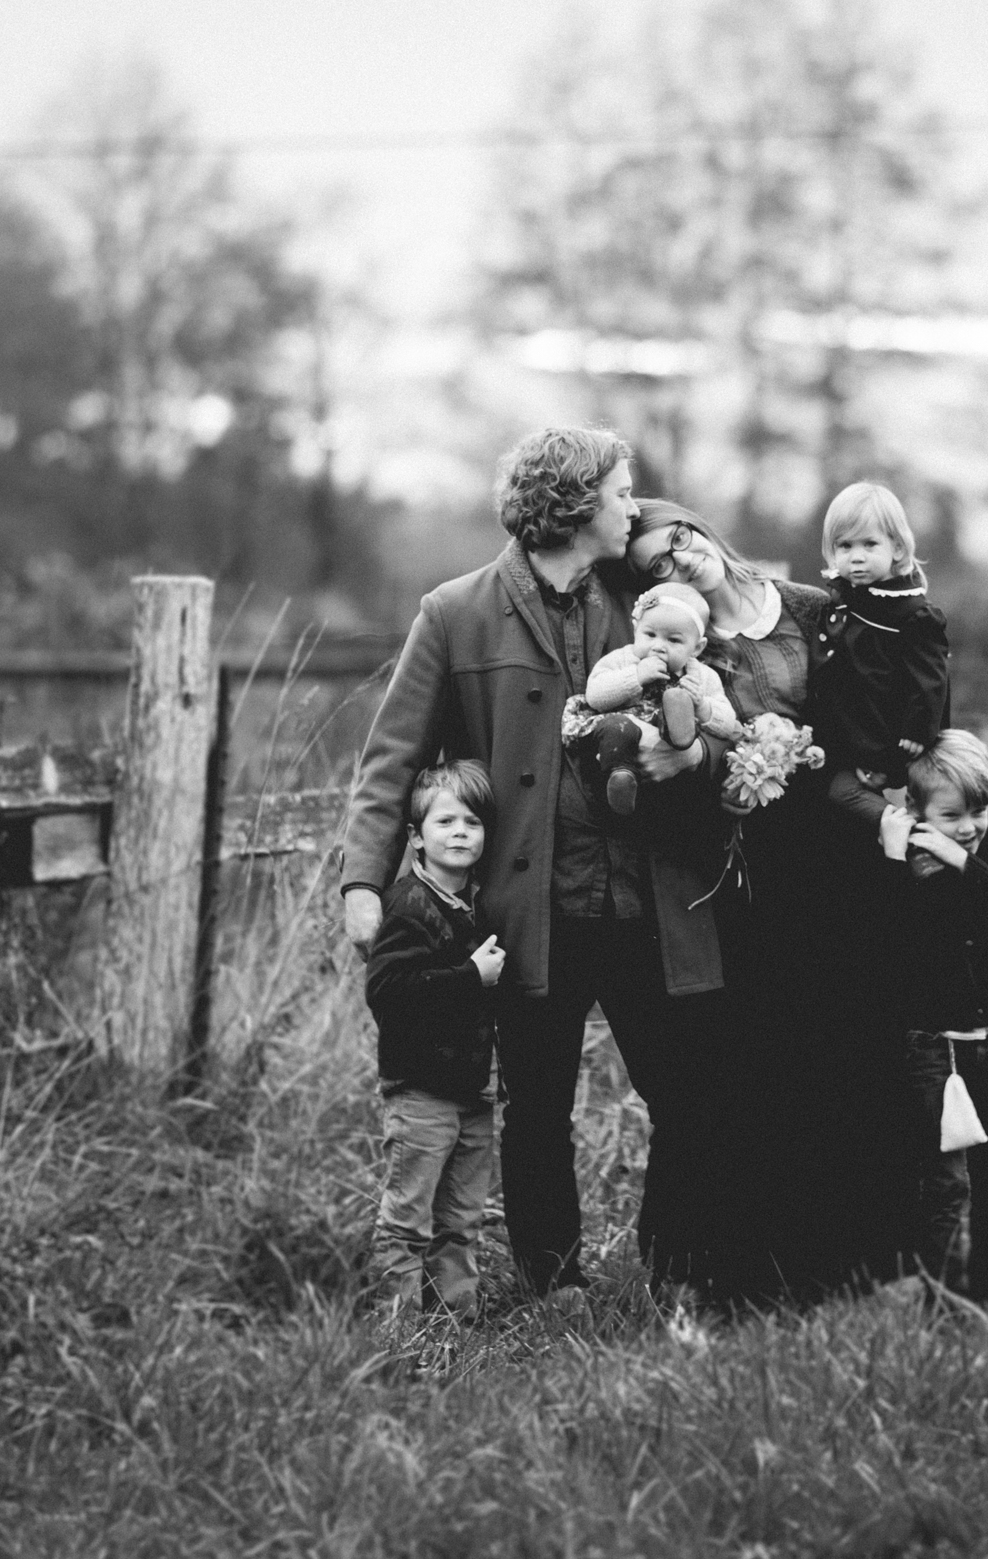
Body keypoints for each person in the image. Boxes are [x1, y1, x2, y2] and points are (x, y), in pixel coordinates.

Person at [341, 427, 728, 1304]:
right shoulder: (455, 612)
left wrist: (693, 756)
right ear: (576, 504)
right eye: (620, 492)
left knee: (688, 1094)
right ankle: (554, 1281)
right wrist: (363, 883)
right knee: (538, 1108)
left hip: (647, 900)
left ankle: (678, 1271)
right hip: (529, 910)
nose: (633, 508)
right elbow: (390, 760)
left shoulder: (644, 601)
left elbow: (713, 705)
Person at [626, 499, 907, 1302]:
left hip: (844, 852)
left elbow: (877, 693)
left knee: (852, 1047)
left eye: (681, 538)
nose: (680, 560)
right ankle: (767, 1264)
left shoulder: (811, 609)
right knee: (772, 1057)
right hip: (756, 867)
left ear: (702, 530)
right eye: (657, 566)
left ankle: (862, 1257)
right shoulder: (689, 649)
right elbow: (690, 748)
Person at [878, 730, 988, 1316]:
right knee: (945, 1183)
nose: (970, 825)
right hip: (935, 1043)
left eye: (979, 809)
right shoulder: (902, 855)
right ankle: (943, 1303)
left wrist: (960, 859)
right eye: (952, 816)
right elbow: (892, 936)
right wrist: (895, 862)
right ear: (917, 809)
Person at [364, 760, 508, 1317]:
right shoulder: (408, 905)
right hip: (421, 1088)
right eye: (445, 822)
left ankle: (455, 1316)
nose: (460, 833)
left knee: (462, 1218)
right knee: (407, 1216)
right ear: (417, 837)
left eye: (472, 822)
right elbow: (388, 991)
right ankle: (398, 1327)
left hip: (473, 1089)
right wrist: (470, 977)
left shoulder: (479, 904)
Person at [809, 481, 952, 792]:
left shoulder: (911, 613)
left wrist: (917, 730)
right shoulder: (840, 602)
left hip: (884, 737)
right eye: (845, 546)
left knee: (868, 800)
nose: (856, 557)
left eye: (869, 544)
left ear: (897, 548)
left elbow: (930, 678)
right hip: (837, 734)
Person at [563, 580, 741, 816]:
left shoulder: (702, 677)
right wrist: (636, 676)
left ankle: (679, 728)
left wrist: (701, 706)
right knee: (617, 729)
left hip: (669, 762)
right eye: (650, 634)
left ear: (697, 648)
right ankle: (621, 779)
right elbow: (595, 696)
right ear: (636, 629)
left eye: (673, 640)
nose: (658, 646)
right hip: (623, 733)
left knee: (675, 711)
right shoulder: (622, 660)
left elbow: (727, 724)